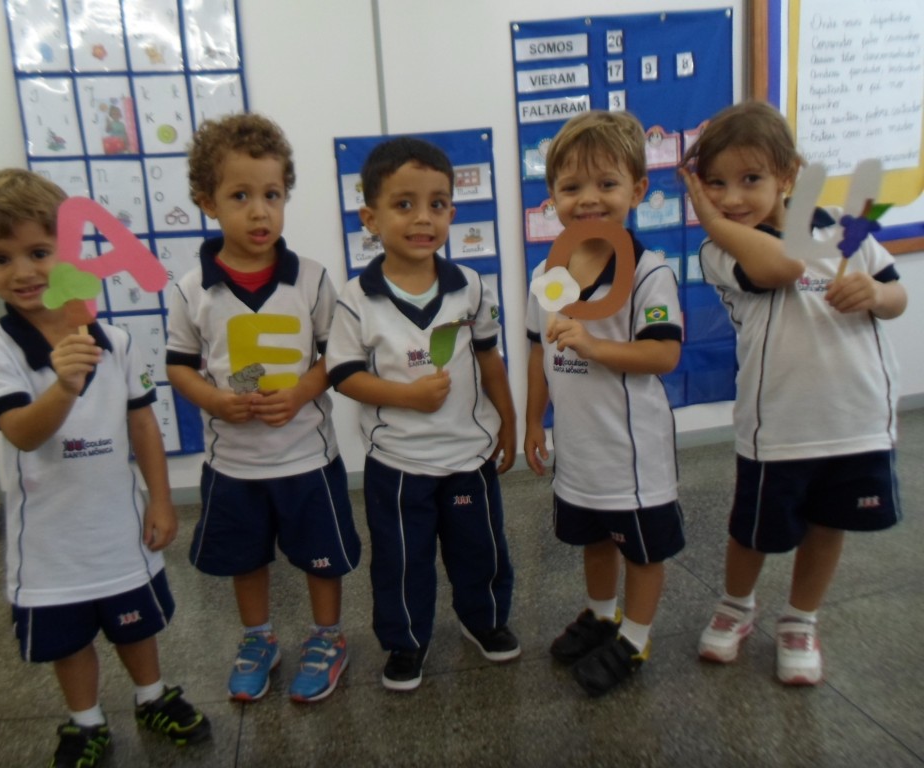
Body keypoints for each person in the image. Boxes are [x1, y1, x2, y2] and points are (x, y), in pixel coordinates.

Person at [0, 169, 210, 768]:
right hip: (50, 546)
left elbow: (142, 423)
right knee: (69, 640)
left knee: (135, 623)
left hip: (119, 530)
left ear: (69, 252)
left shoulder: (115, 342)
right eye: (0, 258)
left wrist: (160, 499)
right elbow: (22, 432)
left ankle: (151, 696)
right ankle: (85, 720)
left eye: (39, 252)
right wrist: (64, 385)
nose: (23, 272)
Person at [680, 100, 907, 685]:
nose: (732, 198)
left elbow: (896, 295)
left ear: (788, 175)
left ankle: (801, 619)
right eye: (715, 184)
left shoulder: (844, 227)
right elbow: (781, 266)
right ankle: (737, 605)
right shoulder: (722, 248)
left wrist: (875, 294)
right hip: (778, 427)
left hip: (855, 420)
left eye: (750, 179)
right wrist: (712, 223)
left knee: (829, 525)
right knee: (752, 531)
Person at [166, 113, 360, 703]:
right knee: (245, 559)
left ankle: (327, 637)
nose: (259, 212)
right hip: (234, 465)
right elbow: (179, 367)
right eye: (240, 196)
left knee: (321, 558)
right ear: (208, 202)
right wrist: (214, 400)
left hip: (307, 458)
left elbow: (336, 357)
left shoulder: (313, 280)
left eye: (272, 195)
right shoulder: (191, 290)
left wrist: (301, 392)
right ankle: (258, 638)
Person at [326, 137, 519, 692]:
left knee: (480, 549)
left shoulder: (470, 288)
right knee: (401, 560)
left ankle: (484, 620)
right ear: (371, 218)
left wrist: (508, 421)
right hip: (398, 462)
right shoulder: (356, 299)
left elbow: (490, 359)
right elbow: (344, 375)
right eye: (404, 204)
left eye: (437, 204)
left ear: (452, 213)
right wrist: (406, 396)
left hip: (467, 456)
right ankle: (406, 641)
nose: (422, 218)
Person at [523, 110, 685, 697]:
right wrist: (533, 420)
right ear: (552, 198)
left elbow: (663, 354)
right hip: (580, 449)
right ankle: (601, 614)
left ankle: (635, 638)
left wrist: (594, 345)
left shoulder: (648, 273)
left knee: (640, 550)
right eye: (572, 187)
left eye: (607, 184)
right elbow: (538, 349)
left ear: (638, 190)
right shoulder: (548, 273)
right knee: (593, 539)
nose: (589, 198)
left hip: (632, 456)